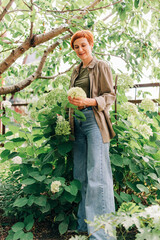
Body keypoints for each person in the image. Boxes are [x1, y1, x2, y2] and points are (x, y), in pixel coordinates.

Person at [68, 30, 116, 240]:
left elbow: (110, 95)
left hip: (95, 122)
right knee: (81, 176)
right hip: (77, 124)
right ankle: (84, 227)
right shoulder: (76, 70)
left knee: (97, 175)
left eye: (83, 45)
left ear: (91, 44)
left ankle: (102, 235)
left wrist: (90, 101)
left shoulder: (102, 66)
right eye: (76, 47)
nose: (80, 50)